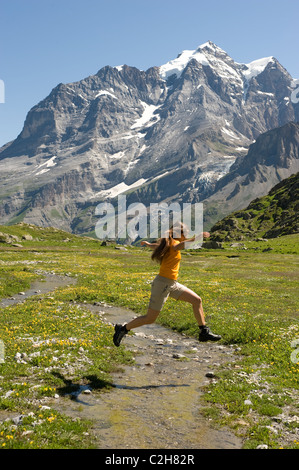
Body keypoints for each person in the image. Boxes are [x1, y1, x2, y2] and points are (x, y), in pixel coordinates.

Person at [113, 222, 221, 346]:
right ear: (178, 234)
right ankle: (123, 329)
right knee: (150, 318)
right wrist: (197, 238)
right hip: (162, 284)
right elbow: (181, 245)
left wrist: (148, 244)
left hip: (172, 284)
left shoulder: (167, 243)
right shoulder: (174, 244)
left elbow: (156, 246)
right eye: (185, 233)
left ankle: (204, 331)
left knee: (197, 300)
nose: (186, 235)